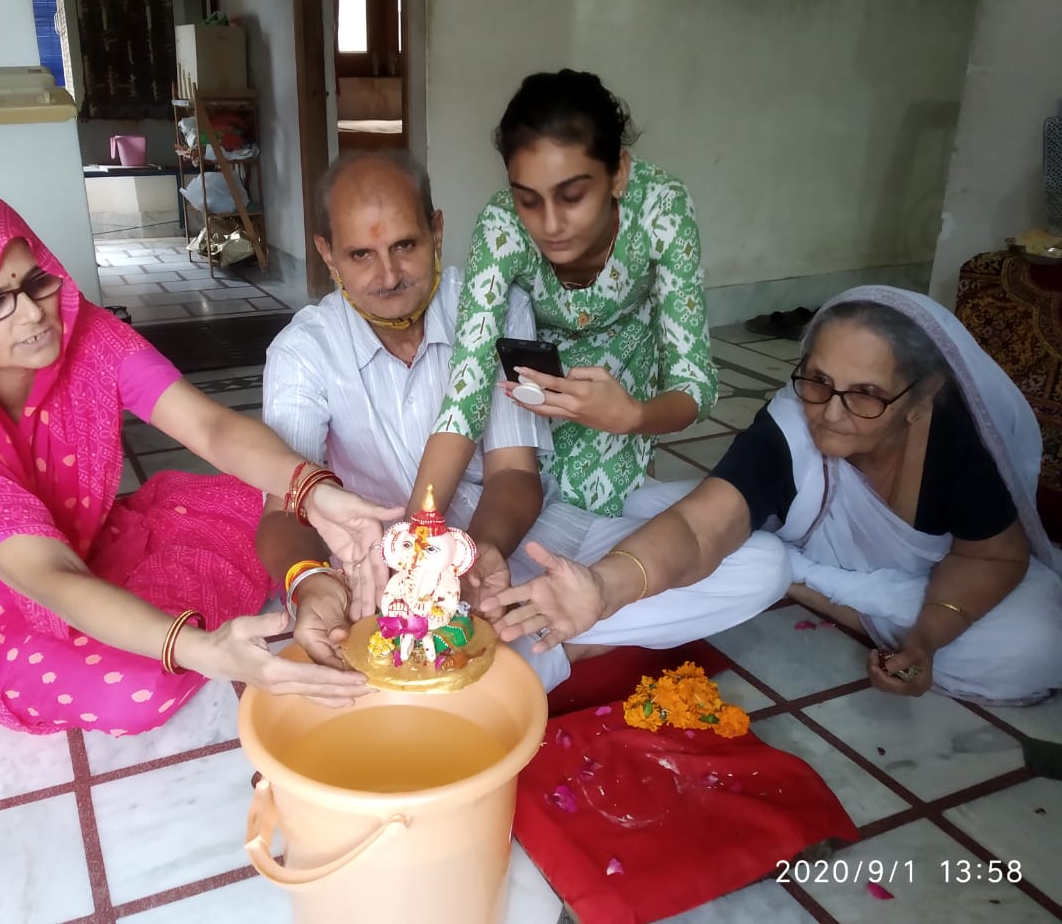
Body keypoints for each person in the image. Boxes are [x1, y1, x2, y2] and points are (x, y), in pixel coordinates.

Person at [0, 187, 398, 736]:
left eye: (34, 282)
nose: (31, 313)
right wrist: (201, 647)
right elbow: (51, 577)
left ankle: (164, 616)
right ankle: (169, 633)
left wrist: (313, 492)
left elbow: (210, 427)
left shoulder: (87, 336)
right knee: (141, 687)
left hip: (82, 542)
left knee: (268, 499)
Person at [254, 151, 788, 692]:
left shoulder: (493, 305)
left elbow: (514, 474)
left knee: (760, 566)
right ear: (327, 254)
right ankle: (553, 646)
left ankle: (551, 644)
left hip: (510, 543)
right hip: (387, 575)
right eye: (361, 254)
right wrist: (310, 580)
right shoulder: (303, 350)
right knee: (415, 664)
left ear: (437, 232)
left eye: (405, 246)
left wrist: (480, 558)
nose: (388, 275)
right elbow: (282, 511)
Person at [490, 286, 1062, 705]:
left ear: (922, 396)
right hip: (859, 578)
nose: (831, 413)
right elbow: (698, 528)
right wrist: (602, 586)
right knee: (661, 518)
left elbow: (992, 556)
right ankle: (806, 580)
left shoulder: (951, 444)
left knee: (1038, 644)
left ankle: (804, 580)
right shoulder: (791, 423)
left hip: (928, 587)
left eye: (866, 395)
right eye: (817, 382)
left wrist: (930, 638)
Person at [412, 69, 718, 518]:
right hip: (540, 379)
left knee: (610, 515)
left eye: (572, 196)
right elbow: (467, 388)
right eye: (528, 200)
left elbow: (695, 384)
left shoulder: (661, 207)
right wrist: (417, 528)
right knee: (520, 505)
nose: (549, 225)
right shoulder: (501, 226)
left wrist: (632, 416)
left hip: (625, 376)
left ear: (619, 174)